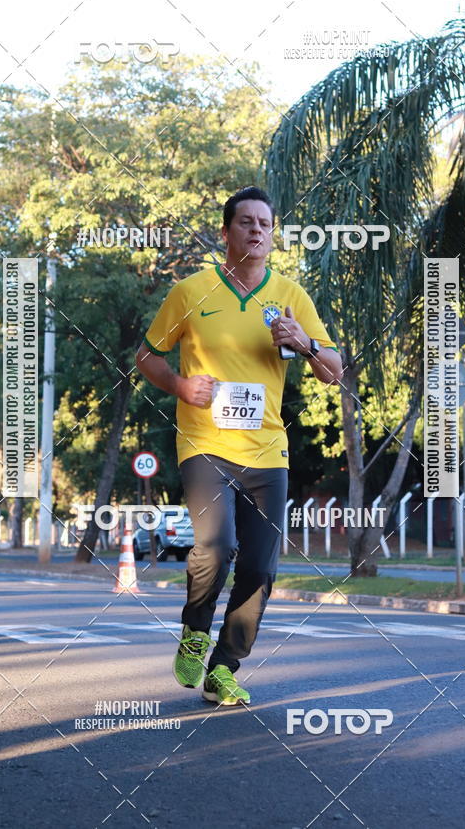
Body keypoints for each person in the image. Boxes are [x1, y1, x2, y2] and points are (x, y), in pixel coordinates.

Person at [135, 186, 342, 705]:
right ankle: (195, 630)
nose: (256, 230)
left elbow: (333, 372)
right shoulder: (191, 292)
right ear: (226, 231)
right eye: (246, 222)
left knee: (260, 567)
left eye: (265, 224)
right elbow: (146, 356)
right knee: (216, 544)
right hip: (205, 442)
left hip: (267, 450)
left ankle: (224, 668)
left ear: (272, 235)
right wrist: (180, 386)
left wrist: (306, 344)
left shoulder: (291, 296)